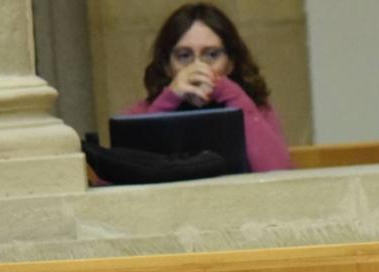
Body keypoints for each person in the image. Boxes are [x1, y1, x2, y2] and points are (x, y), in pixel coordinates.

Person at [124, 3, 290, 173]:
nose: (198, 67)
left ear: (230, 64)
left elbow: (278, 173)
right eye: (184, 56)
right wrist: (169, 100)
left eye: (212, 55)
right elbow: (118, 178)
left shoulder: (255, 109)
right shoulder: (143, 113)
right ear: (167, 66)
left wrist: (231, 95)